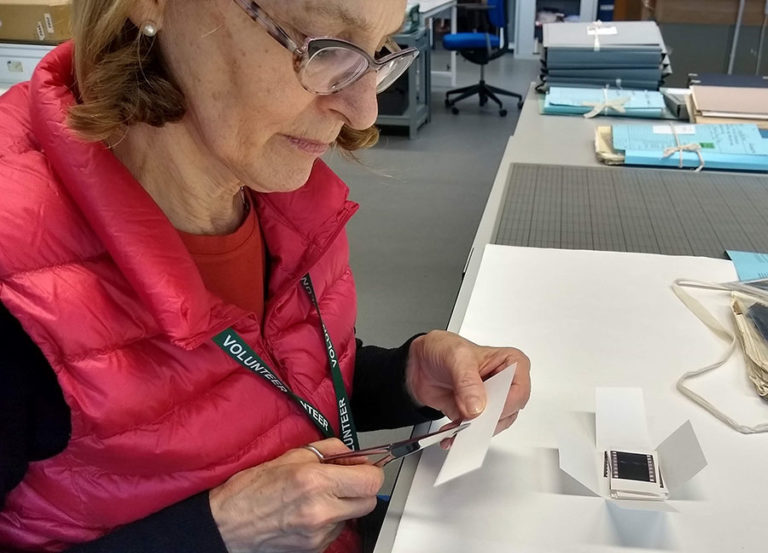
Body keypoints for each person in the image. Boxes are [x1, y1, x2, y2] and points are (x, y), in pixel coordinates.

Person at [0, 0, 531, 552]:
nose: (364, 111)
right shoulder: (17, 281)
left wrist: (405, 377)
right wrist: (219, 529)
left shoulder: (275, 189)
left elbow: (261, 386)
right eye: (325, 43)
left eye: (376, 53)